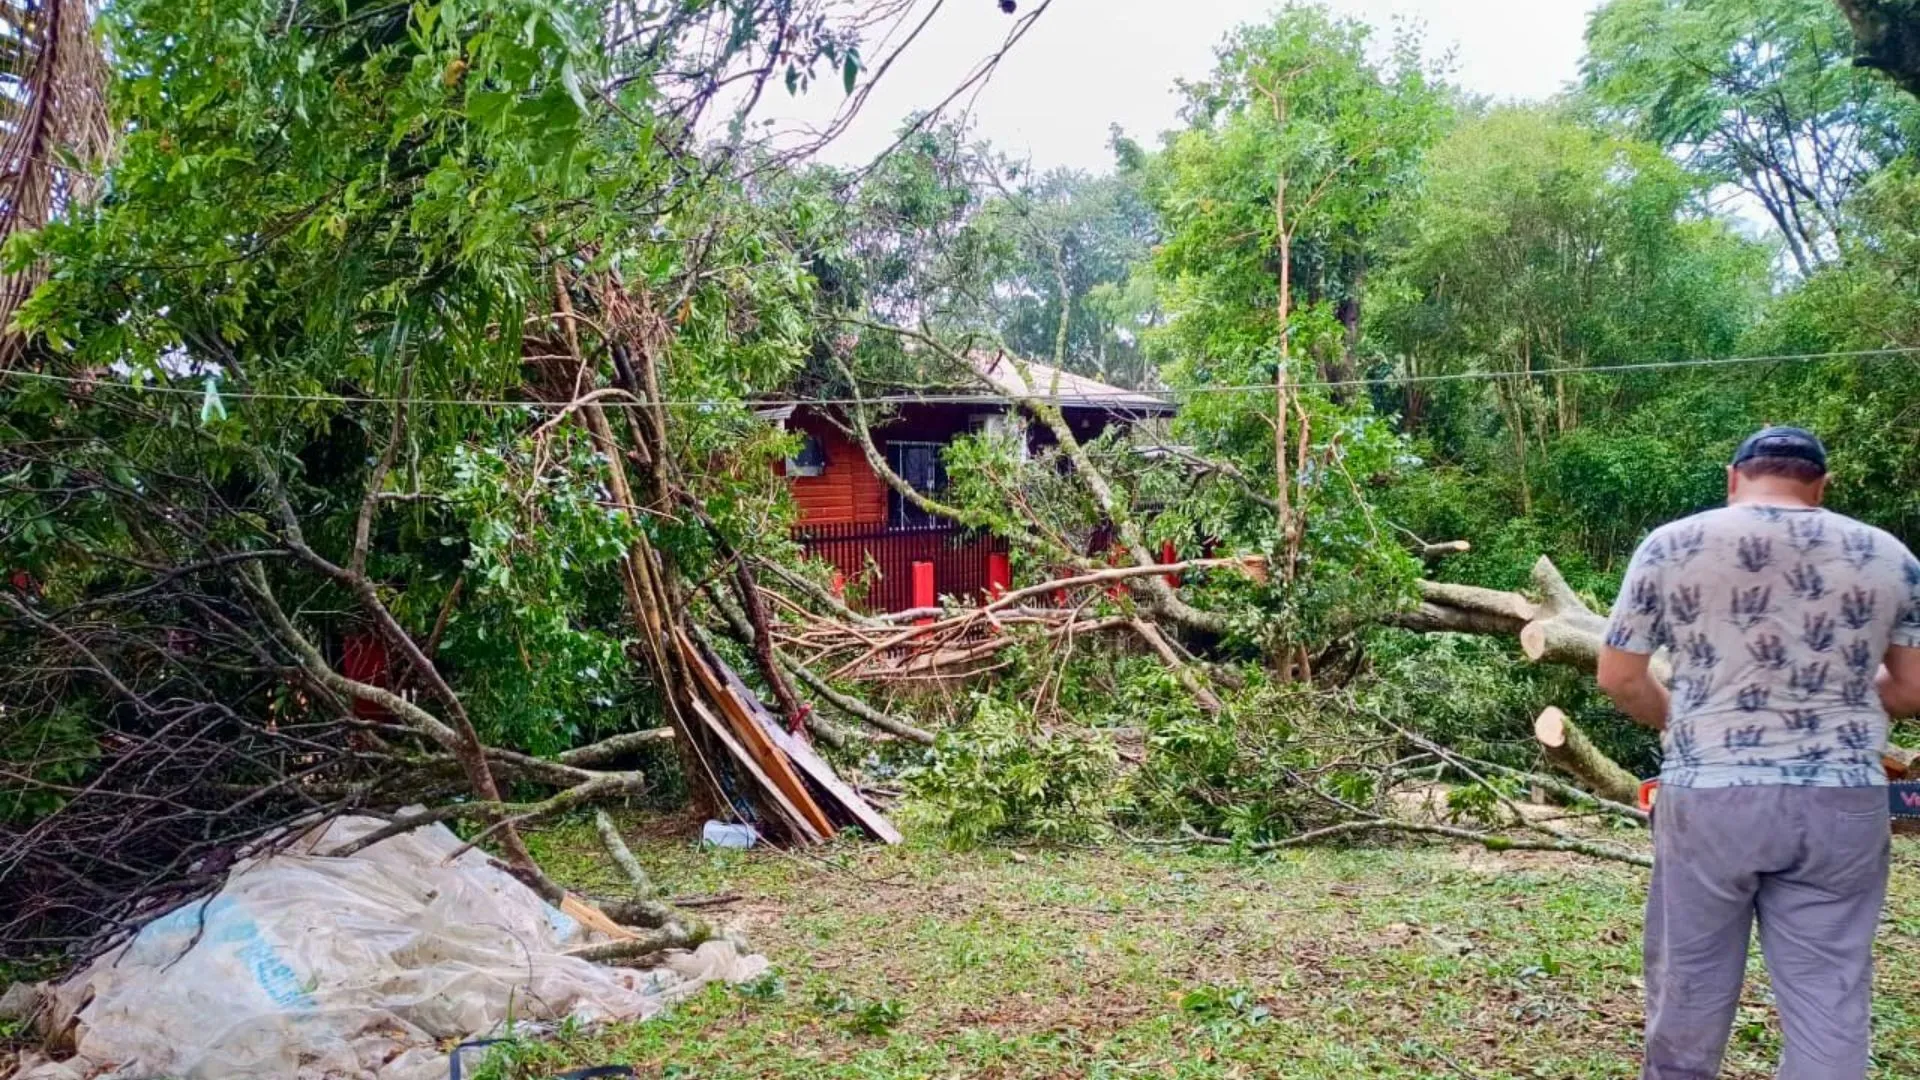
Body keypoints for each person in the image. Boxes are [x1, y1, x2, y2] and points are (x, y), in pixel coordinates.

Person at [1597, 426, 1920, 1080]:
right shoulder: (1891, 557)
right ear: (1821, 487)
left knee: (1688, 987)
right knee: (1829, 995)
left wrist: (1679, 725)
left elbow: (1620, 676)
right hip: (1842, 800)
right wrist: (1842, 708)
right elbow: (1913, 688)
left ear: (1732, 478)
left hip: (1709, 798)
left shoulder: (1673, 545)